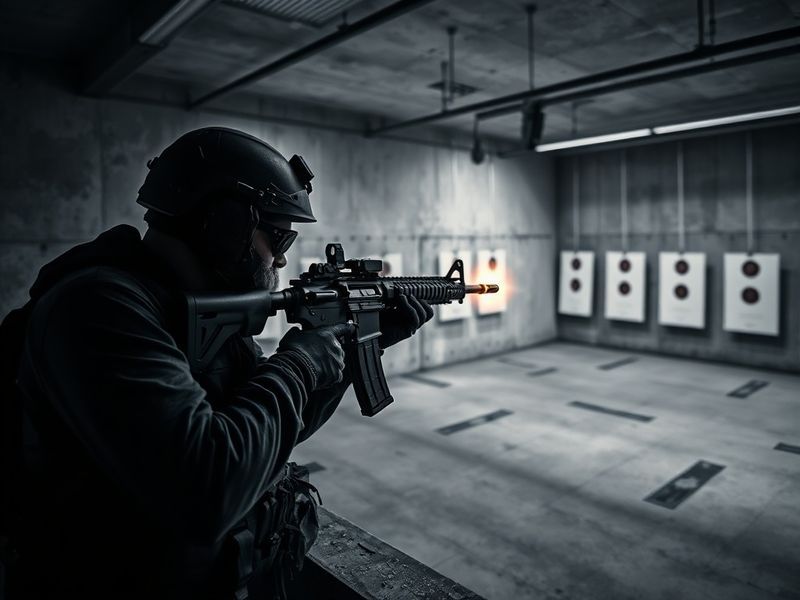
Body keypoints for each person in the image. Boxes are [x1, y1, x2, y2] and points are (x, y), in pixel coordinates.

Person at [0, 127, 434, 599]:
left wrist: (351, 356)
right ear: (227, 226)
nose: (282, 262)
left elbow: (264, 436)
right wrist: (297, 367)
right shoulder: (98, 308)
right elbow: (207, 489)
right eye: (278, 239)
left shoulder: (194, 304)